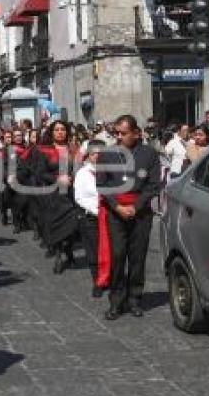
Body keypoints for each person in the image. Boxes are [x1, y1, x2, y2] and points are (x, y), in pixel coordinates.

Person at [97, 115, 161, 320]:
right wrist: (117, 207)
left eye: (123, 133)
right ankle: (116, 301)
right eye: (116, 133)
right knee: (117, 256)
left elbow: (153, 185)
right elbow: (102, 184)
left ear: (135, 133)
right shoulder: (107, 154)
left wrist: (136, 206)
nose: (118, 136)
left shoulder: (149, 154)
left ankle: (134, 298)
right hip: (115, 212)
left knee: (137, 257)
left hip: (140, 213)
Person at [31, 121, 79, 274]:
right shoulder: (44, 150)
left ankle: (69, 251)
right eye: (57, 129)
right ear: (52, 132)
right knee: (57, 225)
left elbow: (78, 168)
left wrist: (74, 178)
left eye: (62, 129)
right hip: (53, 194)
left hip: (71, 193)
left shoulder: (73, 148)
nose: (60, 132)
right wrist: (57, 179)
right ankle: (58, 255)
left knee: (72, 224)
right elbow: (40, 173)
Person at [74, 140, 106, 298]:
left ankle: (110, 276)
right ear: (89, 155)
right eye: (94, 154)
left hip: (109, 216)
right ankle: (97, 281)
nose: (97, 157)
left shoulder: (112, 171)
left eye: (101, 154)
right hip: (91, 217)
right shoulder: (83, 173)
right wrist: (97, 211)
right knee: (93, 250)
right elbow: (80, 197)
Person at [0, 129, 29, 234]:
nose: (18, 137)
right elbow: (3, 166)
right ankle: (16, 224)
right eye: (16, 136)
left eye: (20, 135)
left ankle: (24, 220)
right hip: (12, 181)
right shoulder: (7, 150)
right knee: (14, 203)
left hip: (25, 179)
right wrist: (8, 176)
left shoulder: (26, 149)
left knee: (25, 202)